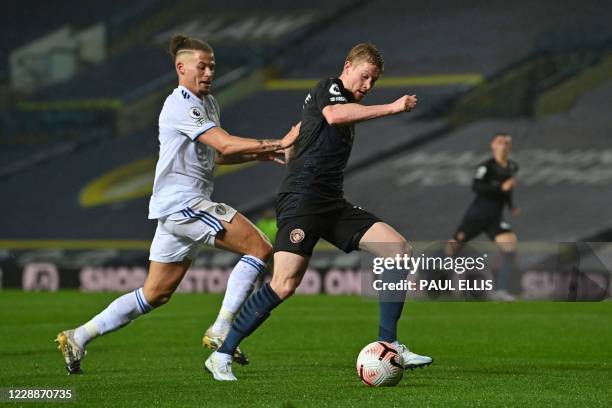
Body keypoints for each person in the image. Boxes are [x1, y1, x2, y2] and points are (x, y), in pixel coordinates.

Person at [55, 34, 300, 374]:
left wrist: (264, 153)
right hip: (183, 203)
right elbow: (226, 145)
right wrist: (280, 141)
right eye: (202, 66)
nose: (209, 72)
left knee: (155, 293)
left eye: (212, 66)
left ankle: (78, 336)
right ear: (181, 67)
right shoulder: (180, 104)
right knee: (259, 248)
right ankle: (222, 329)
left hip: (178, 208)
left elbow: (215, 155)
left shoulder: (208, 103)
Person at [205, 42, 433, 381]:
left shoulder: (337, 104)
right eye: (365, 77)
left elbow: (306, 136)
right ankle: (221, 355)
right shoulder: (329, 88)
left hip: (331, 202)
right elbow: (333, 115)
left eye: (374, 82)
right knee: (284, 284)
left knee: (397, 249)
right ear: (347, 67)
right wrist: (393, 107)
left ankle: (390, 343)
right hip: (302, 199)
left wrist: (286, 145)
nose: (368, 86)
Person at [446, 133, 520, 301]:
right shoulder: (486, 167)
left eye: (507, 143)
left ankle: (500, 290)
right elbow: (477, 187)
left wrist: (511, 205)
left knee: (510, 246)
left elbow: (508, 190)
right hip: (476, 216)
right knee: (452, 249)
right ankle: (438, 284)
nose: (504, 145)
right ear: (493, 145)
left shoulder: (512, 167)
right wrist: (501, 187)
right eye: (500, 142)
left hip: (495, 218)